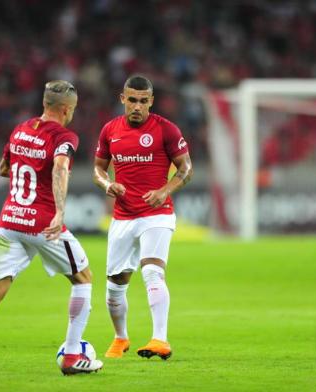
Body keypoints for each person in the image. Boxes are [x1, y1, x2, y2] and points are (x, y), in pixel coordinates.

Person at [0, 80, 103, 381]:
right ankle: (72, 355)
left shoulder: (20, 129)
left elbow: (4, 168)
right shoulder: (65, 135)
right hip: (42, 223)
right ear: (67, 109)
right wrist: (59, 211)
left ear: (44, 104)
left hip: (8, 222)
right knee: (83, 277)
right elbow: (59, 167)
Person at [93, 75, 193, 360]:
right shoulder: (110, 130)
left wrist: (165, 189)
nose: (137, 106)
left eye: (143, 101)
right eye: (132, 100)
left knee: (152, 271)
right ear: (122, 98)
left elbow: (186, 169)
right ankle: (120, 338)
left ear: (151, 101)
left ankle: (160, 340)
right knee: (114, 286)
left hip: (157, 214)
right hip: (123, 216)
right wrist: (107, 184)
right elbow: (98, 170)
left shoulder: (166, 130)